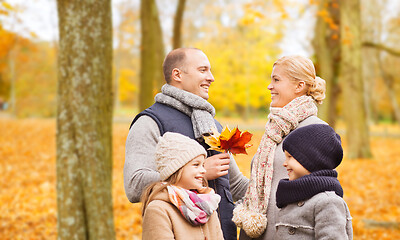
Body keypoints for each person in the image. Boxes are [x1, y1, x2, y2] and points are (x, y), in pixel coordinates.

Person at [124, 47, 248, 239]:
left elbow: (237, 185)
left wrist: (285, 192)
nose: (211, 77)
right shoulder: (149, 122)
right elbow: (134, 185)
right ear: (177, 74)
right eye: (203, 70)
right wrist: (199, 170)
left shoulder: (212, 125)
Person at [233, 55, 328, 239]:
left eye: (276, 80)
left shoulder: (316, 130)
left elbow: (323, 195)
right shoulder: (276, 128)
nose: (270, 86)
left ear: (299, 86)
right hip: (257, 231)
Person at [275, 124, 353, 239]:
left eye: (290, 156)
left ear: (310, 159)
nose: (284, 163)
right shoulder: (292, 196)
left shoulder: (328, 202)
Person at [141, 132, 224, 239]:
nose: (203, 170)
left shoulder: (207, 205)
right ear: (176, 169)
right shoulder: (158, 210)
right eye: (196, 165)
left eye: (203, 165)